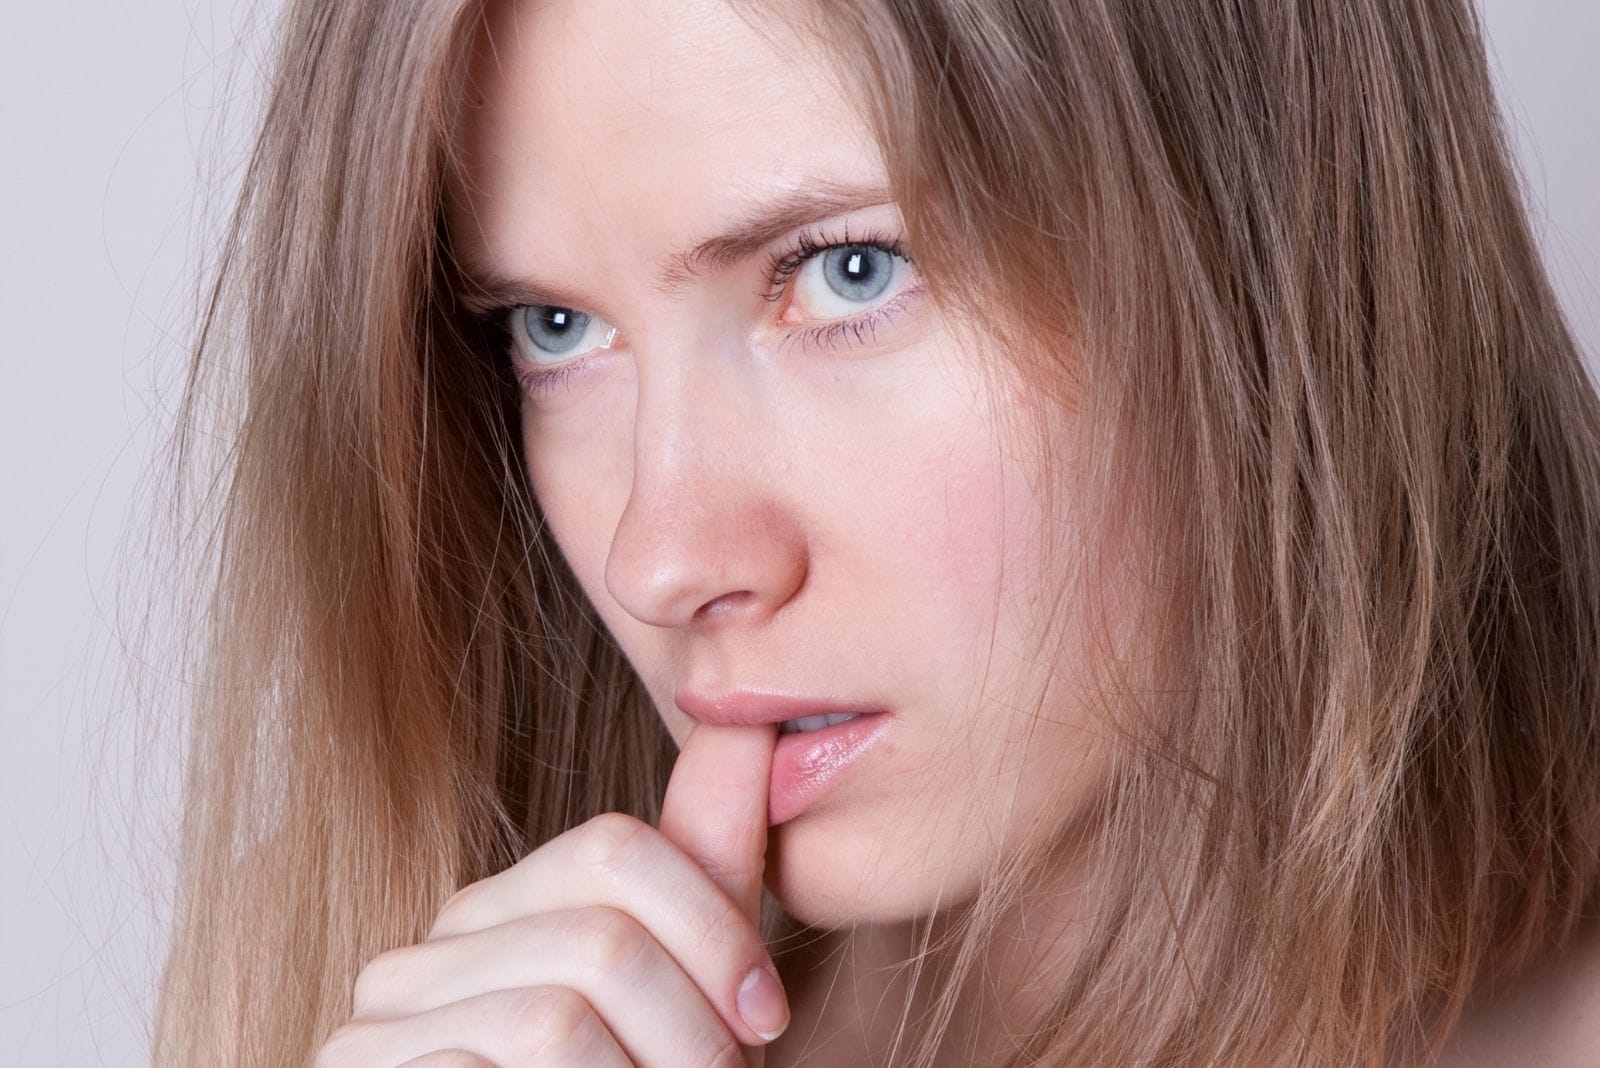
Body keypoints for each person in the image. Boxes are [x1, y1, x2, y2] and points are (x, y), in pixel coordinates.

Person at [150, 0, 1600, 1064]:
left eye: (846, 272)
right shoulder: (448, 1014)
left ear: (1277, 237)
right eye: (555, 328)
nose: (663, 556)